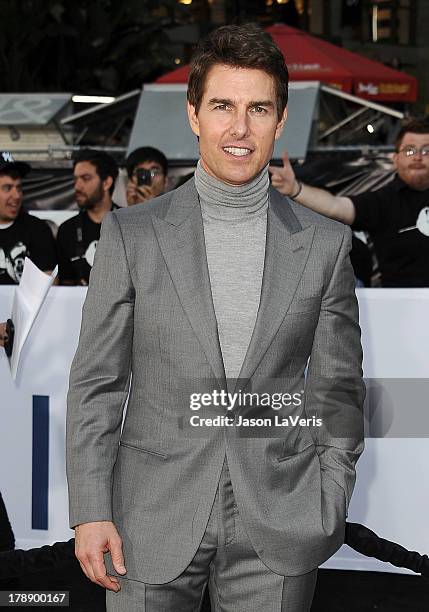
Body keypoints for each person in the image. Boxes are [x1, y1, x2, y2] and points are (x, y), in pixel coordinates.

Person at [66, 24, 365, 612]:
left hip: (279, 519)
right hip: (148, 517)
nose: (239, 128)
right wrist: (91, 509)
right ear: (194, 115)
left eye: (258, 109)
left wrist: (329, 494)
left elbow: (339, 386)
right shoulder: (132, 234)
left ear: (280, 121)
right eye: (223, 106)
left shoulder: (326, 245)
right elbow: (96, 384)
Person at [269, 117, 429, 287]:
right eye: (410, 151)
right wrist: (296, 189)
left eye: (426, 151)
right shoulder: (383, 201)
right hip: (399, 305)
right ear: (395, 159)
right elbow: (336, 206)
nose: (418, 157)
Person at [56, 150, 119, 285]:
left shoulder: (130, 225)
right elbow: (65, 285)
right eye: (75, 179)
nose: (77, 186)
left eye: (86, 178)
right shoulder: (67, 230)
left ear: (106, 183)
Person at [0, 152, 56, 284]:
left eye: (18, 188)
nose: (17, 195)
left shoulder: (38, 229)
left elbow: (49, 282)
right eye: (7, 188)